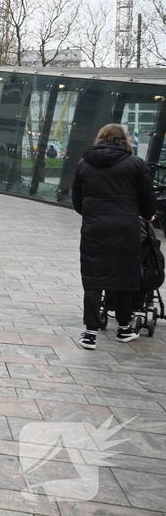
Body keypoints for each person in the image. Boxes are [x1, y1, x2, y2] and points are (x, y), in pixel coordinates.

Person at [73, 124, 157, 349]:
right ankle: (123, 328)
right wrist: (147, 215)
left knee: (92, 280)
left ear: (100, 138)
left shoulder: (84, 164)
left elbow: (77, 202)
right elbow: (148, 200)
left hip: (94, 230)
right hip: (125, 229)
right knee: (124, 277)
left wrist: (93, 215)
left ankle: (90, 333)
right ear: (124, 140)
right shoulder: (135, 164)